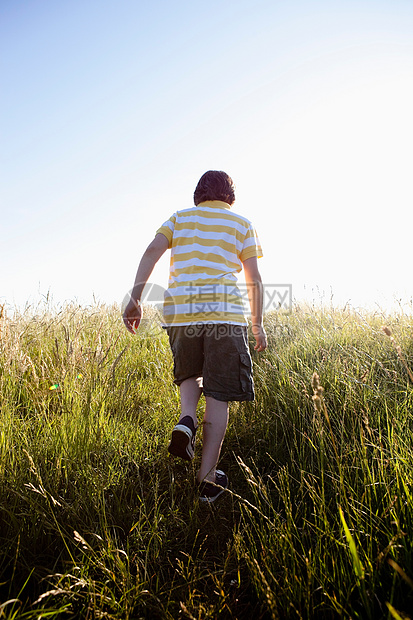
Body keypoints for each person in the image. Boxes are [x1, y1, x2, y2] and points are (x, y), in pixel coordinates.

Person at [123, 170, 267, 503]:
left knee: (189, 373)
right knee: (219, 393)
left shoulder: (179, 218)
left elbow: (150, 252)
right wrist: (256, 323)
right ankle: (206, 481)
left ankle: (186, 418)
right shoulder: (242, 224)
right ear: (230, 195)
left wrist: (135, 298)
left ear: (198, 194)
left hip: (180, 312)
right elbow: (253, 278)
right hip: (225, 316)